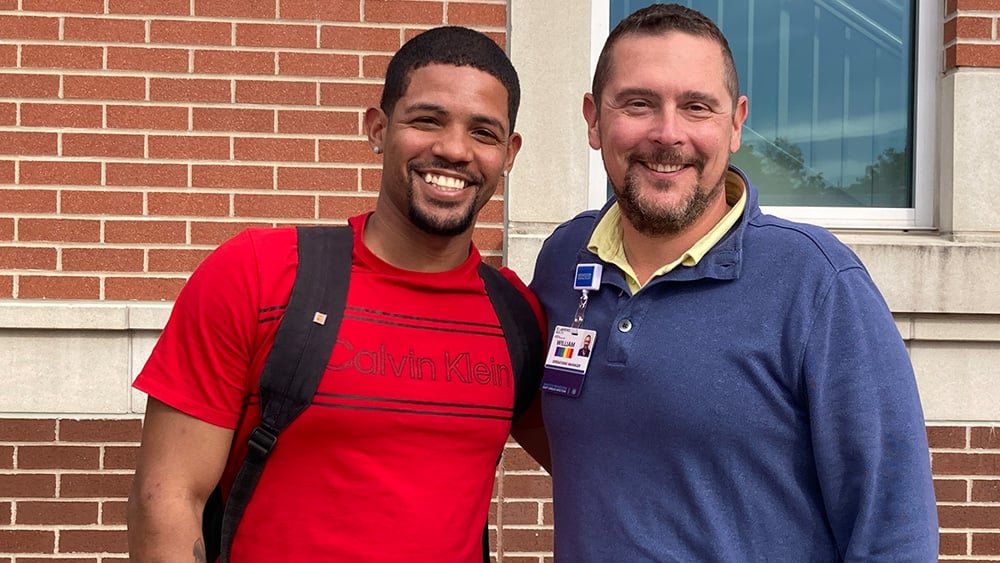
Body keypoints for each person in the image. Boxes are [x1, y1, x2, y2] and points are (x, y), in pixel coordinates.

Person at [529, 4, 939, 561]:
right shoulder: (563, 262)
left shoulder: (817, 285)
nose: (667, 133)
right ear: (594, 119)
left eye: (696, 107)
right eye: (638, 104)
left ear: (737, 123)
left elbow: (894, 530)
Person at [128, 26, 544, 562]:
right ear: (378, 128)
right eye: (427, 120)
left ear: (508, 153)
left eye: (483, 133)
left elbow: (613, 462)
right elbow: (165, 498)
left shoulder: (517, 317)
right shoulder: (258, 273)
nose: (454, 149)